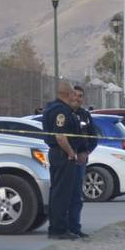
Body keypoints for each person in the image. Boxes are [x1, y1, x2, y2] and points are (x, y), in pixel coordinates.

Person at [42, 81, 81, 240]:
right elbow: (60, 136)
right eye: (73, 93)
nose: (75, 97)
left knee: (59, 192)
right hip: (62, 155)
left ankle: (59, 227)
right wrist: (71, 153)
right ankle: (57, 229)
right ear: (69, 94)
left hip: (58, 154)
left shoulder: (52, 108)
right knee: (61, 193)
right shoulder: (61, 111)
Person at [68, 86, 98, 239]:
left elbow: (93, 137)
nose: (77, 98)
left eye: (80, 96)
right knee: (64, 195)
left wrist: (86, 153)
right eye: (75, 95)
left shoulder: (85, 115)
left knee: (77, 196)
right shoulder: (64, 113)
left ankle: (75, 227)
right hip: (66, 160)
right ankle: (62, 228)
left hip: (80, 161)